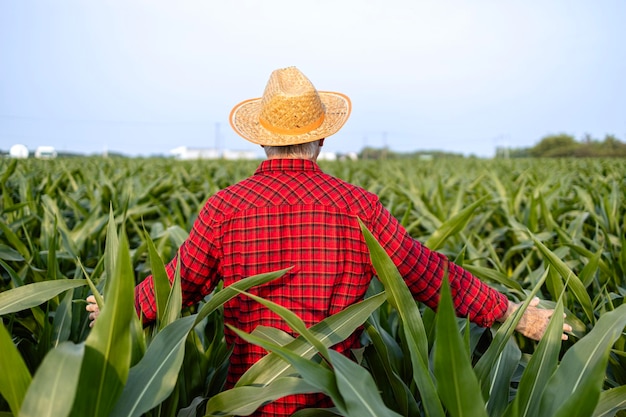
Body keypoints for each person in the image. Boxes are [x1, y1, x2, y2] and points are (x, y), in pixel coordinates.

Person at [86, 66, 572, 416]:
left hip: (248, 401)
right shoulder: (358, 207)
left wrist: (117, 310)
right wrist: (513, 313)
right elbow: (429, 276)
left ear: (263, 139)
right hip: (339, 401)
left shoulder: (225, 208)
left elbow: (178, 287)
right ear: (321, 140)